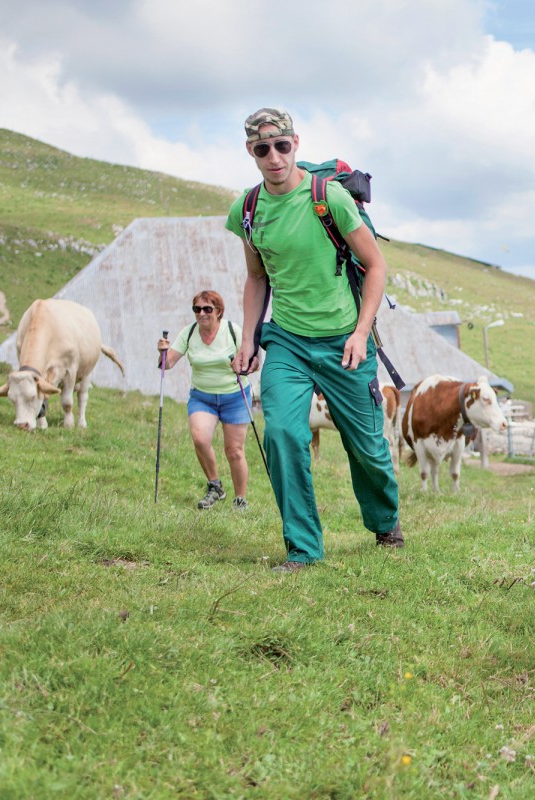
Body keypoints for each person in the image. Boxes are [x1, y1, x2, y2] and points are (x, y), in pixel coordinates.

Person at [227, 107, 402, 573]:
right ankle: (303, 550)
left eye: (281, 146)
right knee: (283, 432)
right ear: (251, 151)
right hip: (286, 341)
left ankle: (385, 523)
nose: (274, 156)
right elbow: (255, 277)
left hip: (345, 340)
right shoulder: (247, 209)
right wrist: (248, 340)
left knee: (366, 446)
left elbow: (377, 266)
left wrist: (362, 333)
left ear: (295, 144)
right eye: (263, 148)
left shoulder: (329, 199)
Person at [156, 290, 250, 510]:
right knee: (199, 439)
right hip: (202, 397)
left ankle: (240, 499)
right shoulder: (189, 333)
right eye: (197, 309)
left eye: (207, 309)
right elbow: (166, 364)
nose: (202, 313)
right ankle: (215, 487)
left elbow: (250, 360)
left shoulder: (231, 331)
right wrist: (162, 351)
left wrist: (241, 366)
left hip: (234, 396)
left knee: (234, 450)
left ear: (219, 311)